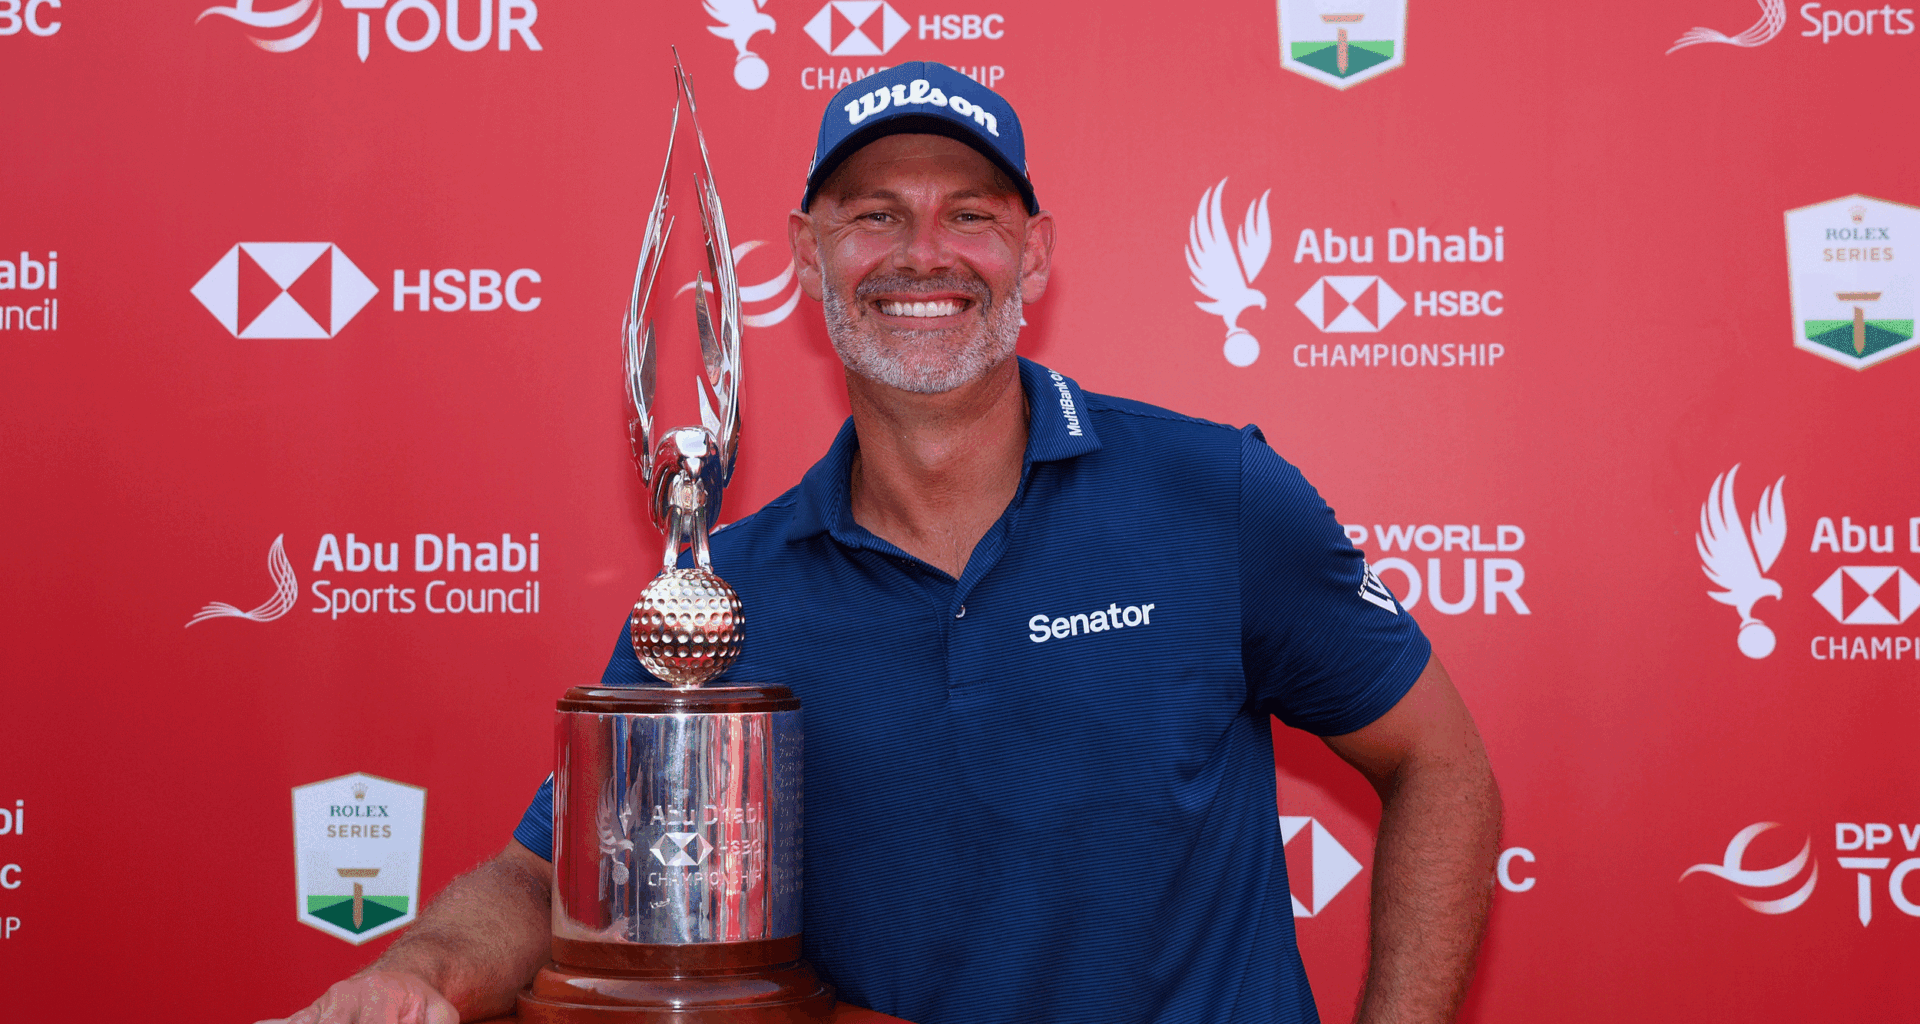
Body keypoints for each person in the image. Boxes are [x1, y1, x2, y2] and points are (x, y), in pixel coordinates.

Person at [267, 61, 1500, 1024]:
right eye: (874, 215)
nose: (923, 253)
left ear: (1034, 252)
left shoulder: (1213, 492)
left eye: (970, 212)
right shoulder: (732, 592)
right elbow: (551, 881)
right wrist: (417, 970)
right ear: (805, 258)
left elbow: (1442, 766)